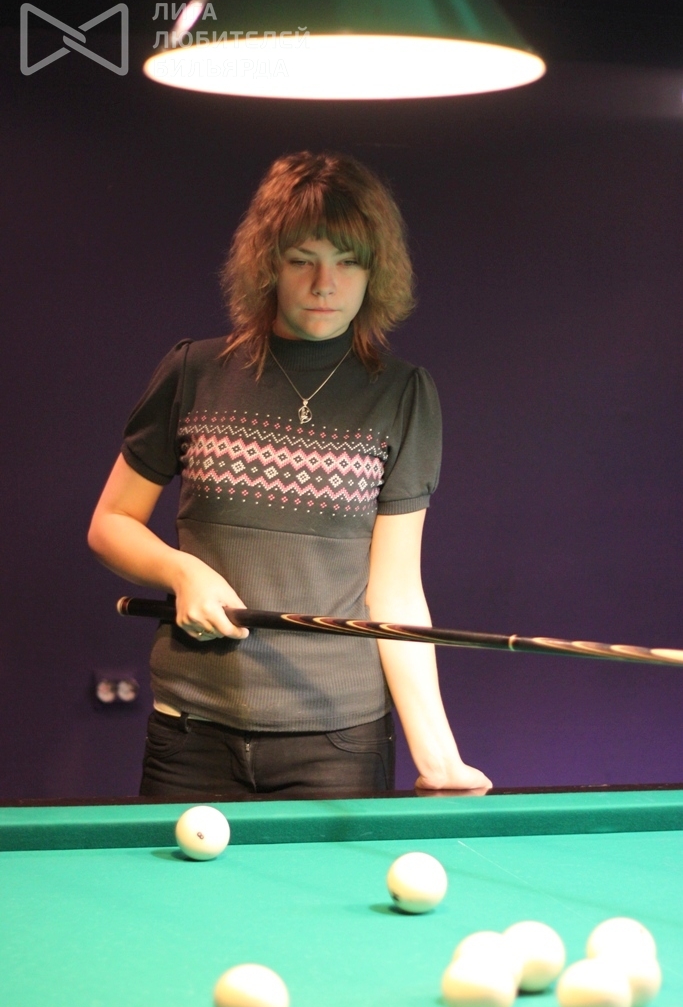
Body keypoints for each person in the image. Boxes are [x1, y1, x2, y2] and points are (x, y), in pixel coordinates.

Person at [88, 151, 492, 798]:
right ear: (267, 265)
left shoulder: (402, 395)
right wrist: (181, 571)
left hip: (339, 743)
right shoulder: (194, 372)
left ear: (375, 271)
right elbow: (110, 523)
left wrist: (438, 757)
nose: (324, 284)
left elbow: (395, 590)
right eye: (303, 259)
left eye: (347, 261)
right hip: (191, 732)